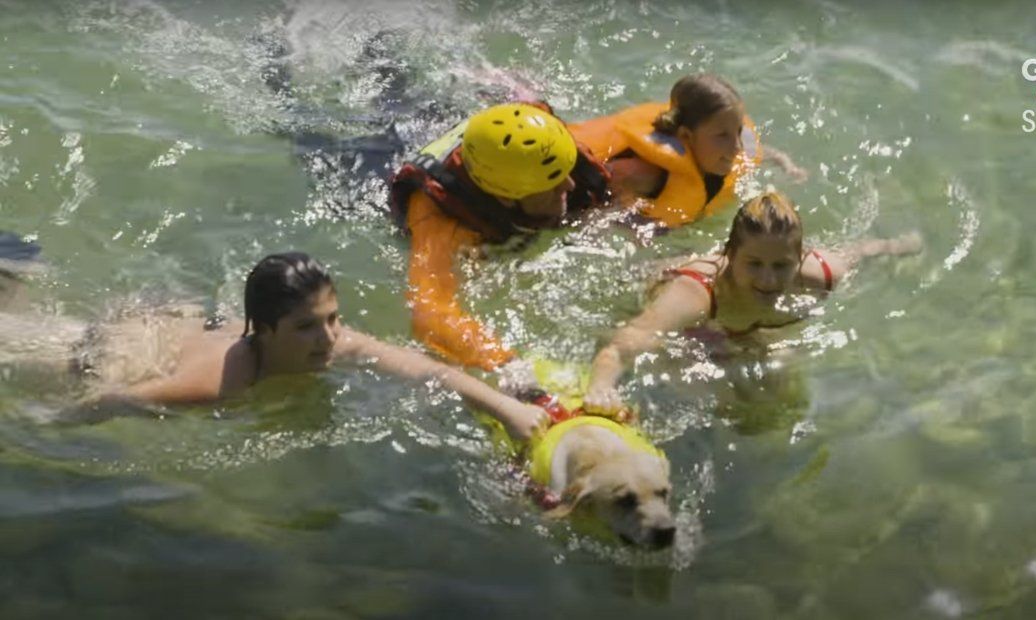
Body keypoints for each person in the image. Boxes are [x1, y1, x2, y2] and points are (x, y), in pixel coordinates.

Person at [1, 252, 548, 439]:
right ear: (263, 330)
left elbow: (432, 372)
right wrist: (46, 422)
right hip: (119, 347)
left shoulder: (339, 343)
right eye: (308, 328)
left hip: (183, 322)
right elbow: (117, 398)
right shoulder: (223, 380)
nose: (328, 337)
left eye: (332, 319)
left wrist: (510, 409)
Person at [583, 191, 922, 415]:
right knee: (720, 398)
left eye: (781, 265)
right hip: (688, 320)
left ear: (800, 257)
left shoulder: (822, 274)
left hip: (741, 326)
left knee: (779, 385)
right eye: (754, 264)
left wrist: (901, 245)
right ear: (730, 255)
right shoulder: (696, 293)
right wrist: (600, 387)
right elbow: (623, 344)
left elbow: (862, 252)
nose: (769, 280)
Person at [389, 102, 611, 376]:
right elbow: (430, 313)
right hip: (381, 154)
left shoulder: (540, 143)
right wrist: (509, 367)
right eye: (550, 185)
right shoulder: (441, 222)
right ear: (505, 196)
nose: (570, 185)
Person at [569, 73, 808, 228]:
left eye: (737, 131)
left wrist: (785, 163)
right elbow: (595, 188)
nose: (736, 146)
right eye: (722, 136)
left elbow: (755, 149)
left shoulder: (727, 146)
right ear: (686, 136)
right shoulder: (646, 173)